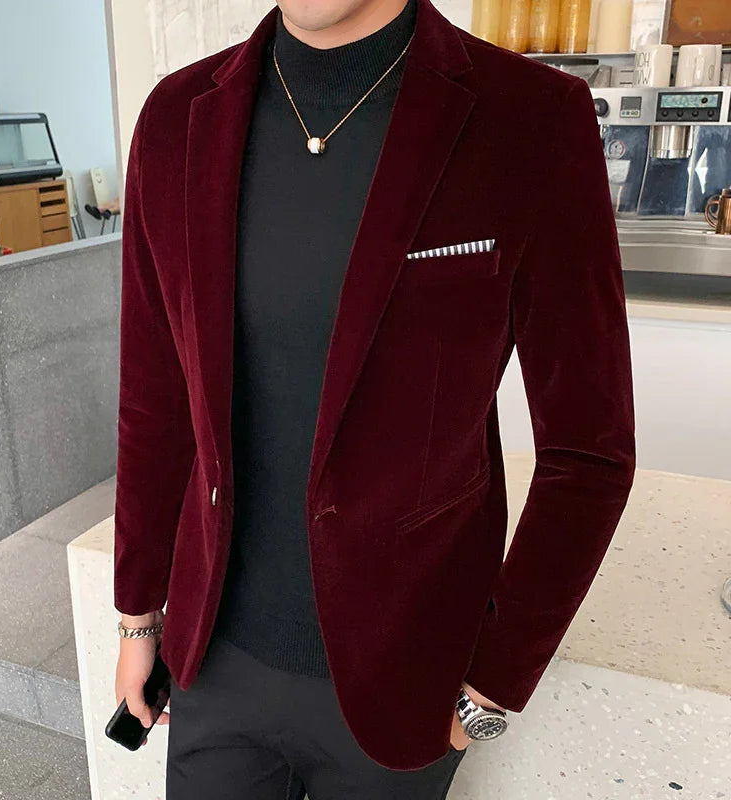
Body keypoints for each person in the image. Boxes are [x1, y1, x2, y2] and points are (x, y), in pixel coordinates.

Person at [112, 0, 636, 797]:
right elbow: (154, 403)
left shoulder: (530, 120)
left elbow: (588, 452)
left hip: (403, 680)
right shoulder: (176, 117)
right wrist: (138, 616)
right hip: (212, 667)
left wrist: (497, 683)